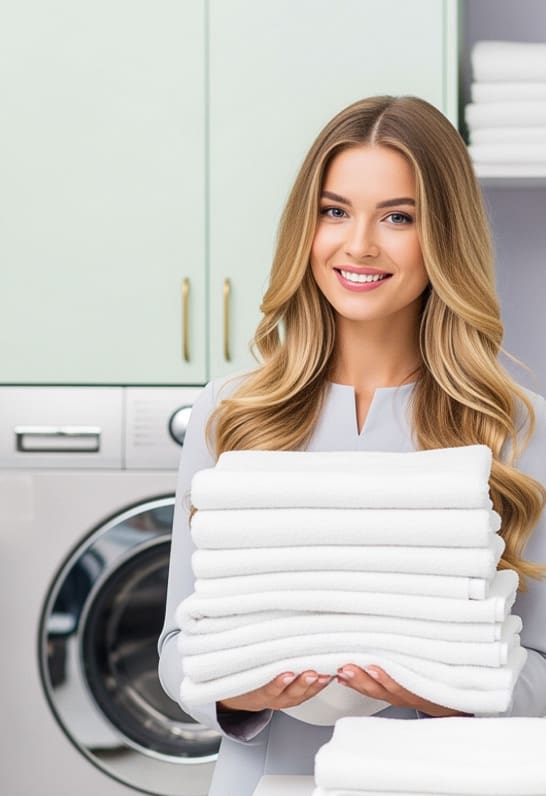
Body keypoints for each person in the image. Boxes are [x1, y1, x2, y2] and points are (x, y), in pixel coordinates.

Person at [158, 95, 546, 796]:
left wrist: (440, 689)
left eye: (398, 217)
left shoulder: (513, 427)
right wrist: (248, 686)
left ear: (445, 236)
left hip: (447, 781)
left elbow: (543, 668)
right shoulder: (235, 412)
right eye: (334, 211)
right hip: (261, 780)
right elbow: (181, 649)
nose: (359, 244)